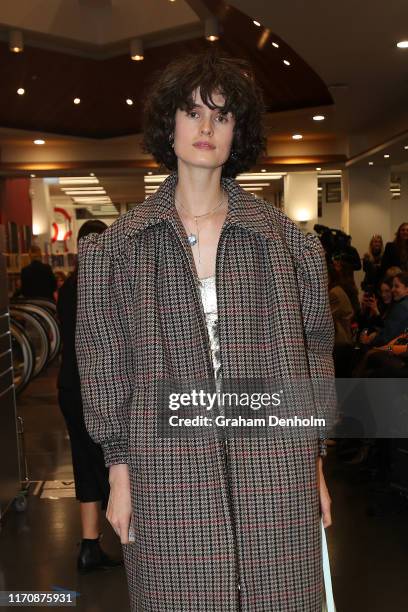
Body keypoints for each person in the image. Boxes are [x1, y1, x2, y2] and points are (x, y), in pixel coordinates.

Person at [75, 52, 336, 611]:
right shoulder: (116, 251)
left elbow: (315, 355)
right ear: (168, 125)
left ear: (237, 131)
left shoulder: (288, 246)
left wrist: (313, 459)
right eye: (192, 112)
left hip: (275, 461)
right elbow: (102, 362)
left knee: (282, 595)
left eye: (222, 116)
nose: (206, 127)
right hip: (164, 464)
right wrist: (117, 469)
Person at [57, 220, 122, 574]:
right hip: (100, 387)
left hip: (69, 388)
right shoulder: (106, 285)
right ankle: (136, 539)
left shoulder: (67, 287)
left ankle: (89, 545)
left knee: (84, 461)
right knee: (118, 460)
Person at [360, 272, 408, 347]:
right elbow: (366, 326)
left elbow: (386, 337)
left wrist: (370, 341)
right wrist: (363, 310)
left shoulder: (401, 307)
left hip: (391, 349)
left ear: (406, 289)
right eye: (381, 291)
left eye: (397, 286)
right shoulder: (381, 304)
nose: (384, 295)